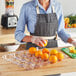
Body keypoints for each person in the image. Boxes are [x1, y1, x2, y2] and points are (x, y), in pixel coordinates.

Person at [15, 0, 76, 75]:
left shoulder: (57, 6)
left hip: (53, 54)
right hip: (34, 53)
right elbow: (18, 34)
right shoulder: (27, 7)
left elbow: (61, 31)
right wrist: (32, 39)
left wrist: (72, 41)